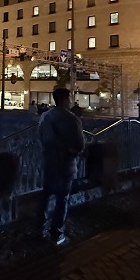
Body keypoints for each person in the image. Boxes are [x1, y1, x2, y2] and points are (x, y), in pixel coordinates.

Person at [38, 87, 85, 245]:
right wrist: (72, 151)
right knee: (62, 198)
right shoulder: (72, 119)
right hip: (66, 164)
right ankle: (56, 232)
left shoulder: (45, 116)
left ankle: (40, 227)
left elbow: (41, 137)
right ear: (65, 99)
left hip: (49, 162)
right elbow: (80, 144)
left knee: (46, 195)